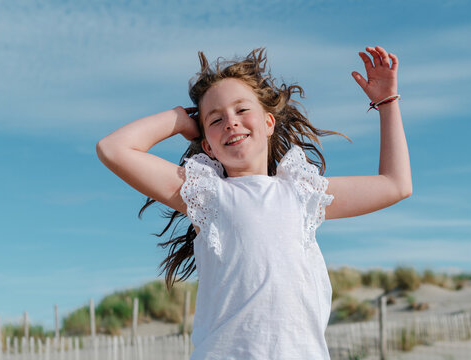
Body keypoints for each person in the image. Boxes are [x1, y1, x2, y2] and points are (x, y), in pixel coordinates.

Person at [96, 46, 412, 359]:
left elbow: (396, 185)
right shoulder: (207, 195)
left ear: (269, 123)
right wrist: (178, 119)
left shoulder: (302, 193)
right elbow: (113, 148)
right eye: (215, 119)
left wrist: (387, 103)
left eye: (242, 110)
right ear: (207, 145)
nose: (231, 122)